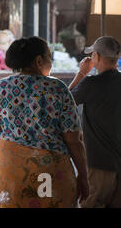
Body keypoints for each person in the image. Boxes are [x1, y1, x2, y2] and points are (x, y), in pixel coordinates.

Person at [0, 36, 89, 208]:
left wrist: (5, 165)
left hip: (10, 168)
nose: (51, 61)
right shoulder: (58, 89)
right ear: (39, 60)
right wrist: (83, 176)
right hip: (50, 172)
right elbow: (73, 140)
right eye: (49, 57)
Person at [68, 36, 121, 208]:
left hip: (100, 162)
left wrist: (81, 73)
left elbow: (63, 102)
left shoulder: (91, 84)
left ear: (96, 57)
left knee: (92, 203)